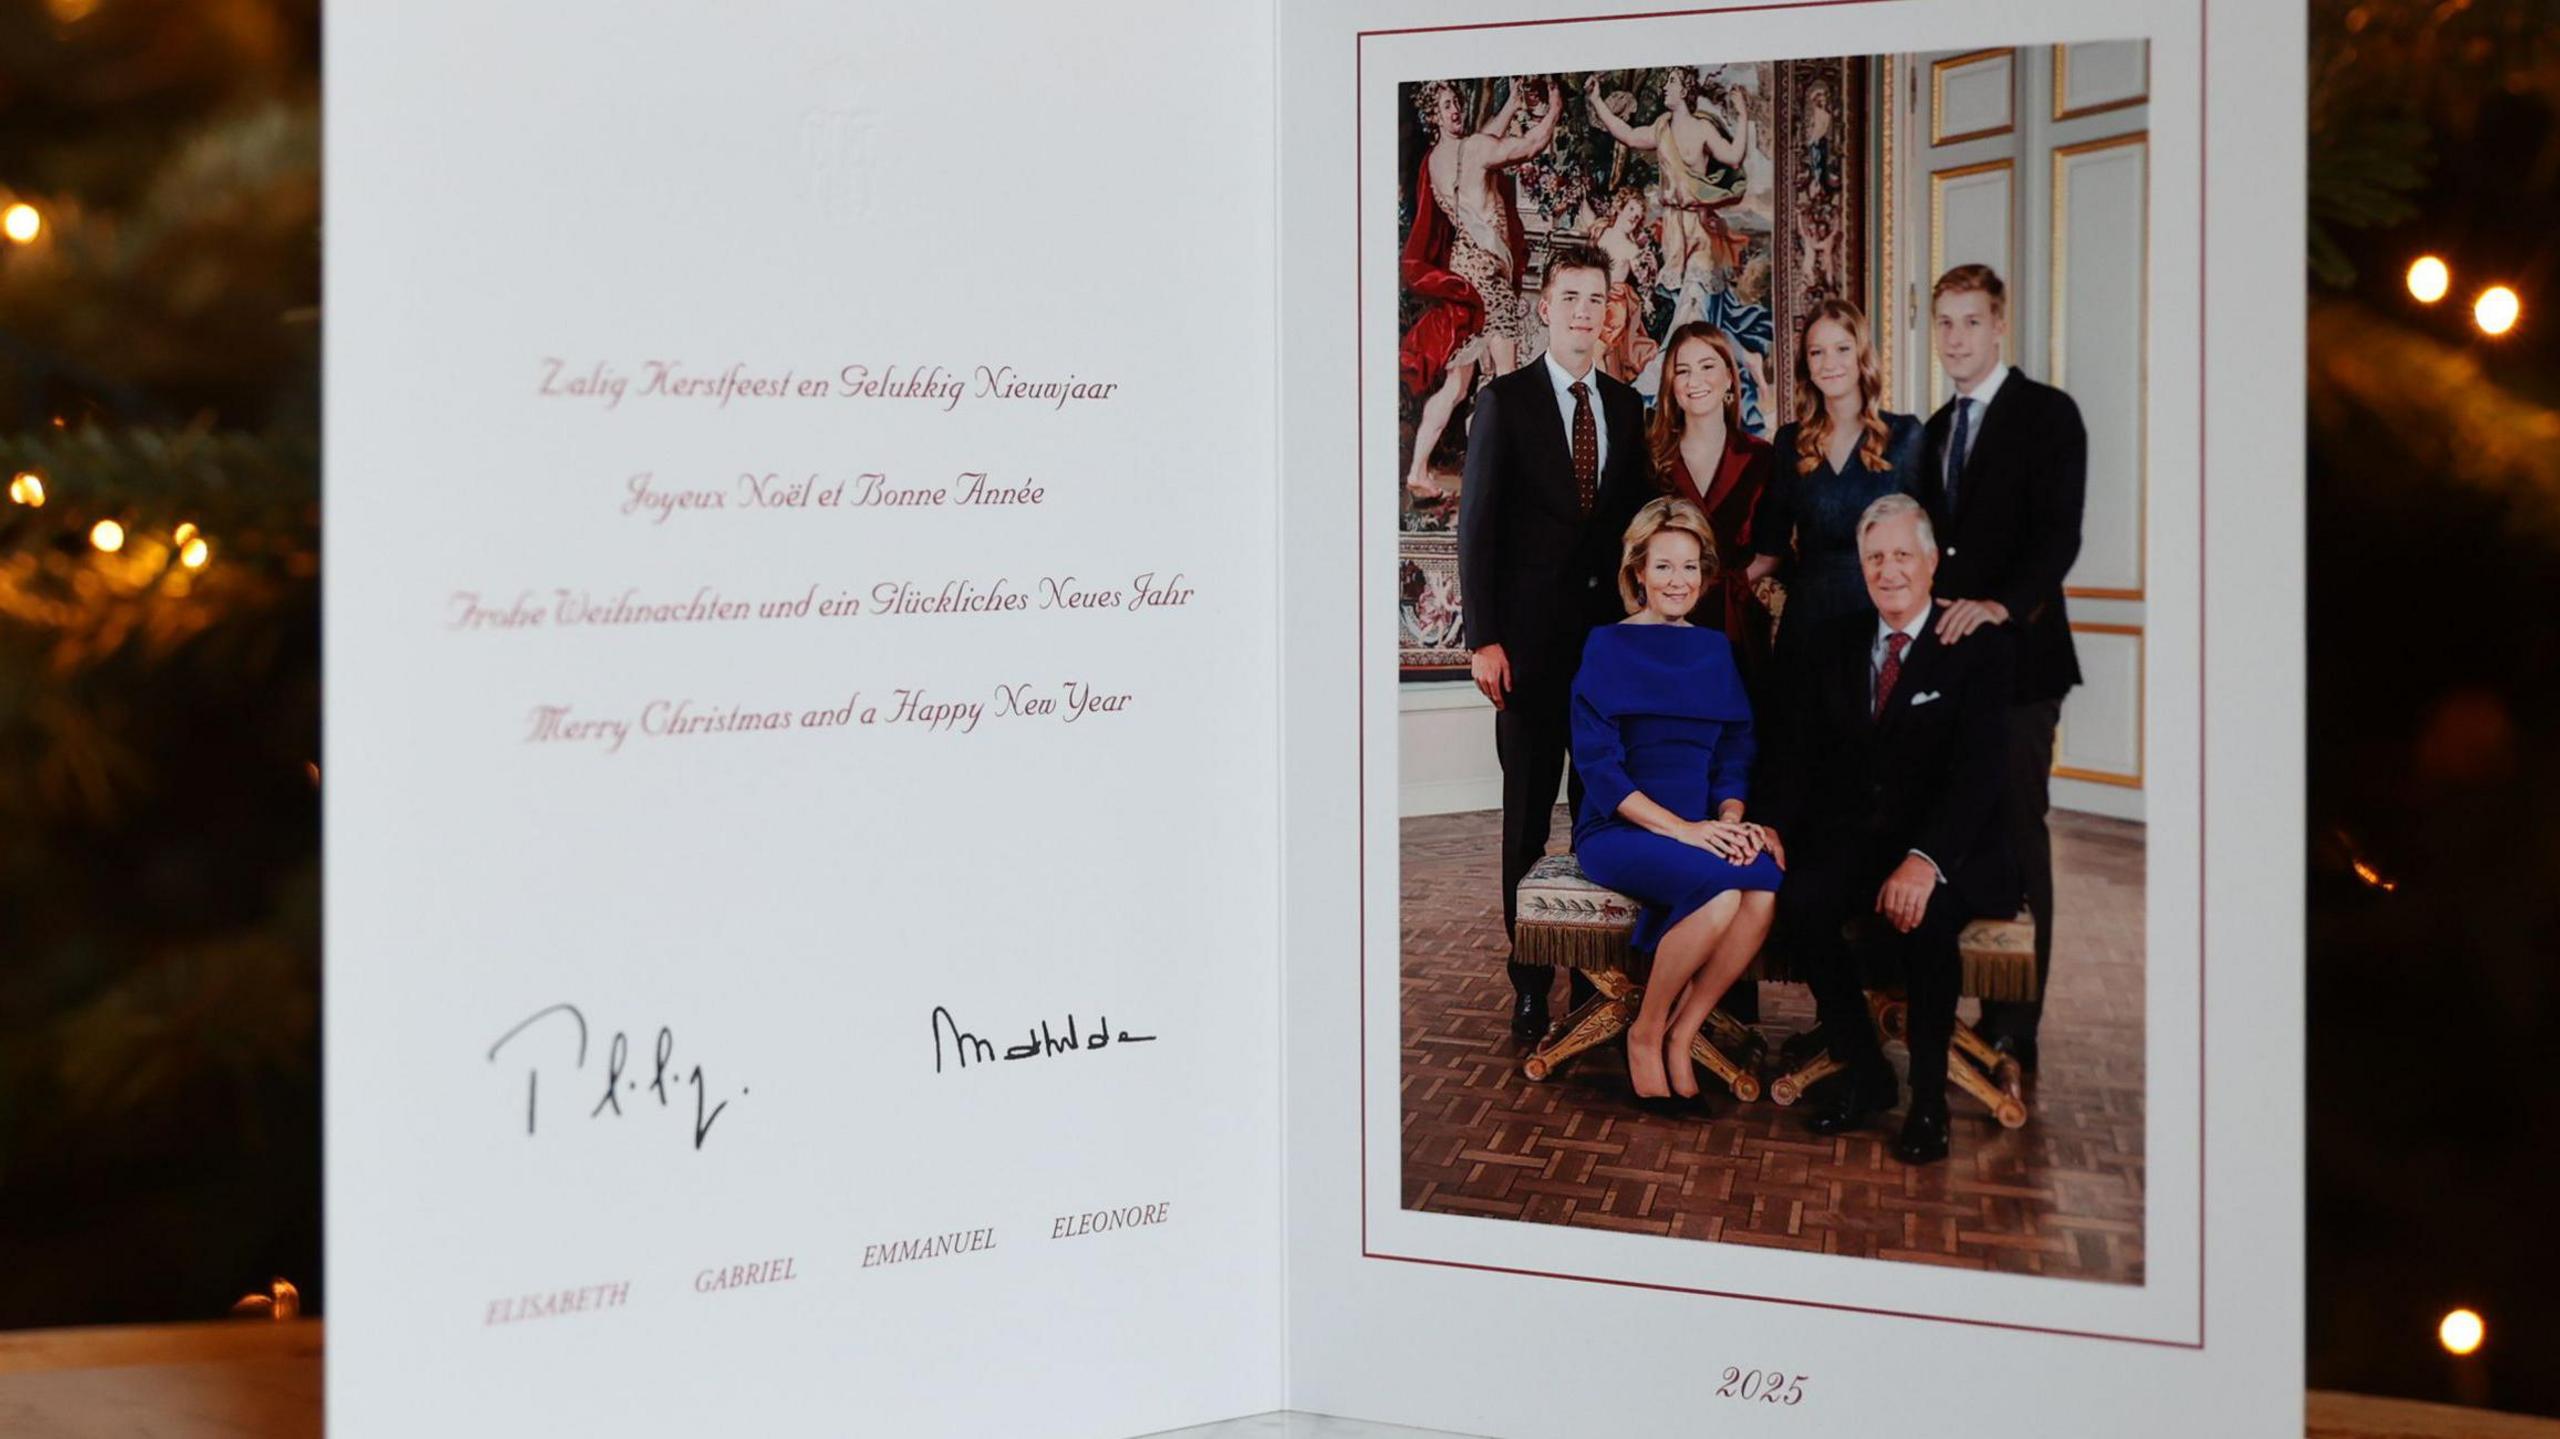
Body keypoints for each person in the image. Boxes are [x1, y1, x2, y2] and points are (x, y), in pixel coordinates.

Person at [1755, 494, 2018, 1165]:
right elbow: (1797, 751)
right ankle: (1864, 1069)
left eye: (1903, 554)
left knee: (1923, 921)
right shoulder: (1833, 640)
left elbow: (1982, 773)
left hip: (1951, 844)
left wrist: (1926, 860)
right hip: (1859, 838)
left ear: (1930, 562)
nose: (1889, 569)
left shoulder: (1976, 646)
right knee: (1802, 898)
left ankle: (1928, 1099)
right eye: (1876, 557)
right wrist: (1774, 828)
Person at [1458, 243, 1655, 1044]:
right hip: (1529, 658)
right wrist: (1485, 639)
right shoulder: (1504, 402)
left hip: (1608, 657)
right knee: (1528, 820)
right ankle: (1530, 980)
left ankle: (1594, 972)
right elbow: (1478, 528)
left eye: (1595, 298)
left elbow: (1638, 529)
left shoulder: (1627, 405)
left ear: (1610, 311)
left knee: (1600, 817)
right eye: (1569, 296)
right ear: (1544, 307)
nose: (1583, 311)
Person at [1916, 264, 2088, 1075]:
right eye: (1945, 323)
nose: (1955, 338)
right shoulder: (1936, 427)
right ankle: (1946, 1003)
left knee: (2020, 835)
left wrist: (1998, 606)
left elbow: (2059, 538)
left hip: (2022, 665)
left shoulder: (2049, 416)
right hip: (1948, 667)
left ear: (1999, 326)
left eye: (1970, 322)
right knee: (1955, 827)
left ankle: (2015, 1023)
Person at [1570, 498, 1782, 1106]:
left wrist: (1731, 820)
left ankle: (1683, 1032)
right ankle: (1646, 1031)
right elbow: (1600, 771)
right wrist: (1685, 831)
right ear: (1638, 570)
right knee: (1719, 898)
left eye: (1690, 568)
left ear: (1705, 574)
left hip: (1701, 826)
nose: (1678, 582)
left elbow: (1734, 752)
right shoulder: (1605, 646)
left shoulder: (1714, 650)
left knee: (1762, 884)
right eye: (1663, 567)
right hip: (1621, 828)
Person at [1403, 77, 1562, 498]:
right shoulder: (1472, 149)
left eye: (1456, 102)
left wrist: (1510, 102)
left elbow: (1484, 139)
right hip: (1487, 280)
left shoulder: (1436, 159)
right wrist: (1555, 107)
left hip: (1463, 274)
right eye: (1446, 106)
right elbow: (1528, 145)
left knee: (1459, 385)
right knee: (1507, 379)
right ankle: (1504, 477)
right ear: (1434, 116)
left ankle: (1419, 470)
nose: (1455, 110)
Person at [1752, 298, 1923, 657]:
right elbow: (1770, 550)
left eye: (1842, 349)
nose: (1829, 363)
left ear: (1861, 356)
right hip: (1809, 623)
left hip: (1882, 615)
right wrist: (1702, 587)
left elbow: (1933, 546)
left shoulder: (1905, 436)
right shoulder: (1789, 442)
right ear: (1806, 365)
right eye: (1817, 352)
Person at [1648, 322, 1779, 688]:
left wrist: (1725, 586)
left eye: (1707, 366)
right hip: (1667, 625)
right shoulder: (1652, 461)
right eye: (1683, 370)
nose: (1695, 381)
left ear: (1728, 378)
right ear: (1671, 386)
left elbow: (1772, 554)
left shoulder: (1761, 458)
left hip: (1737, 624)